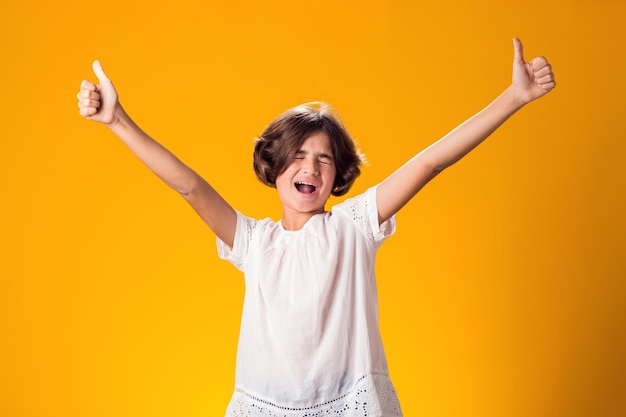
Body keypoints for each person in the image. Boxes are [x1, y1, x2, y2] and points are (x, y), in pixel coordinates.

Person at [77, 38, 555, 416]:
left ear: (337, 174)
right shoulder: (254, 242)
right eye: (299, 155)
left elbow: (430, 162)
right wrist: (117, 120)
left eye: (323, 158)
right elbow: (190, 187)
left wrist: (513, 98)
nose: (311, 167)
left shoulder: (355, 226)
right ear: (275, 165)